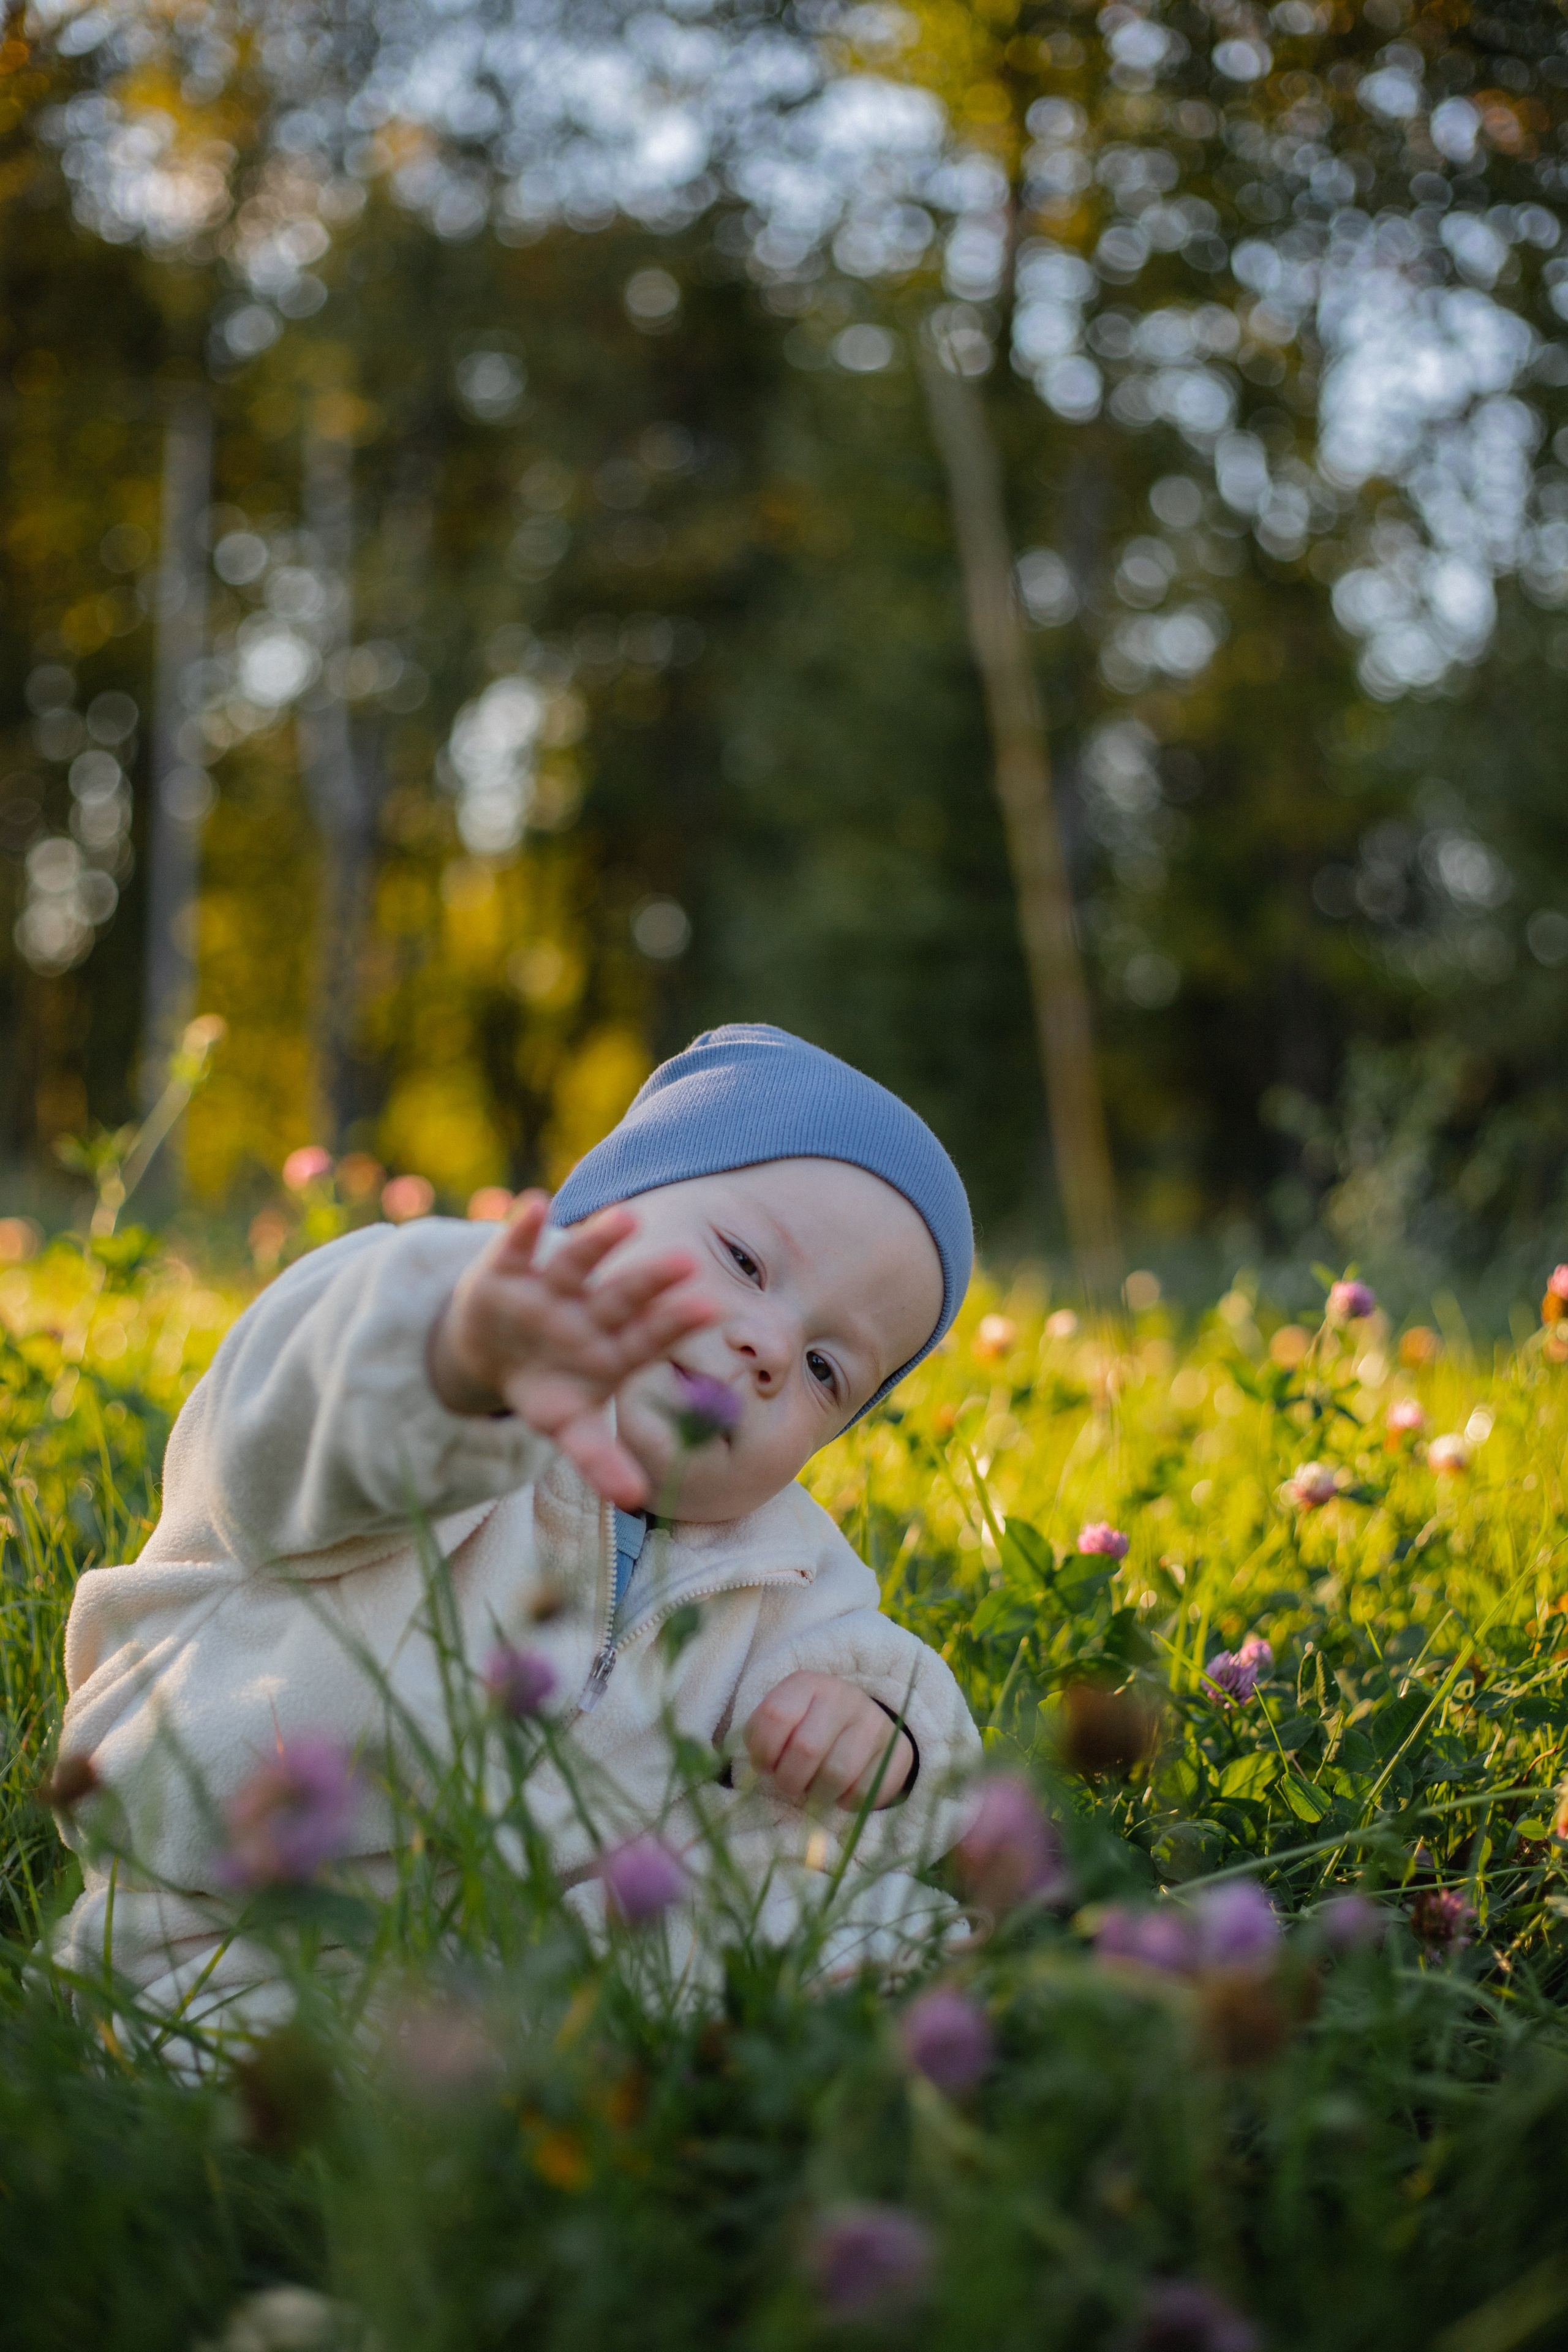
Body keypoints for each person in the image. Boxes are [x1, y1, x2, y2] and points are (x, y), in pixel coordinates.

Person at [53, 1025, 984, 2030]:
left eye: (824, 1370)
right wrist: (456, 1368)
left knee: (873, 1920)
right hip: (246, 1918)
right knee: (229, 2047)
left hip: (557, 1949)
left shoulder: (782, 1559)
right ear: (603, 1207)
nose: (768, 1343)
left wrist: (879, 1741)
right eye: (746, 1260)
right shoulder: (427, 1349)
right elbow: (279, 1441)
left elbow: (874, 1673)